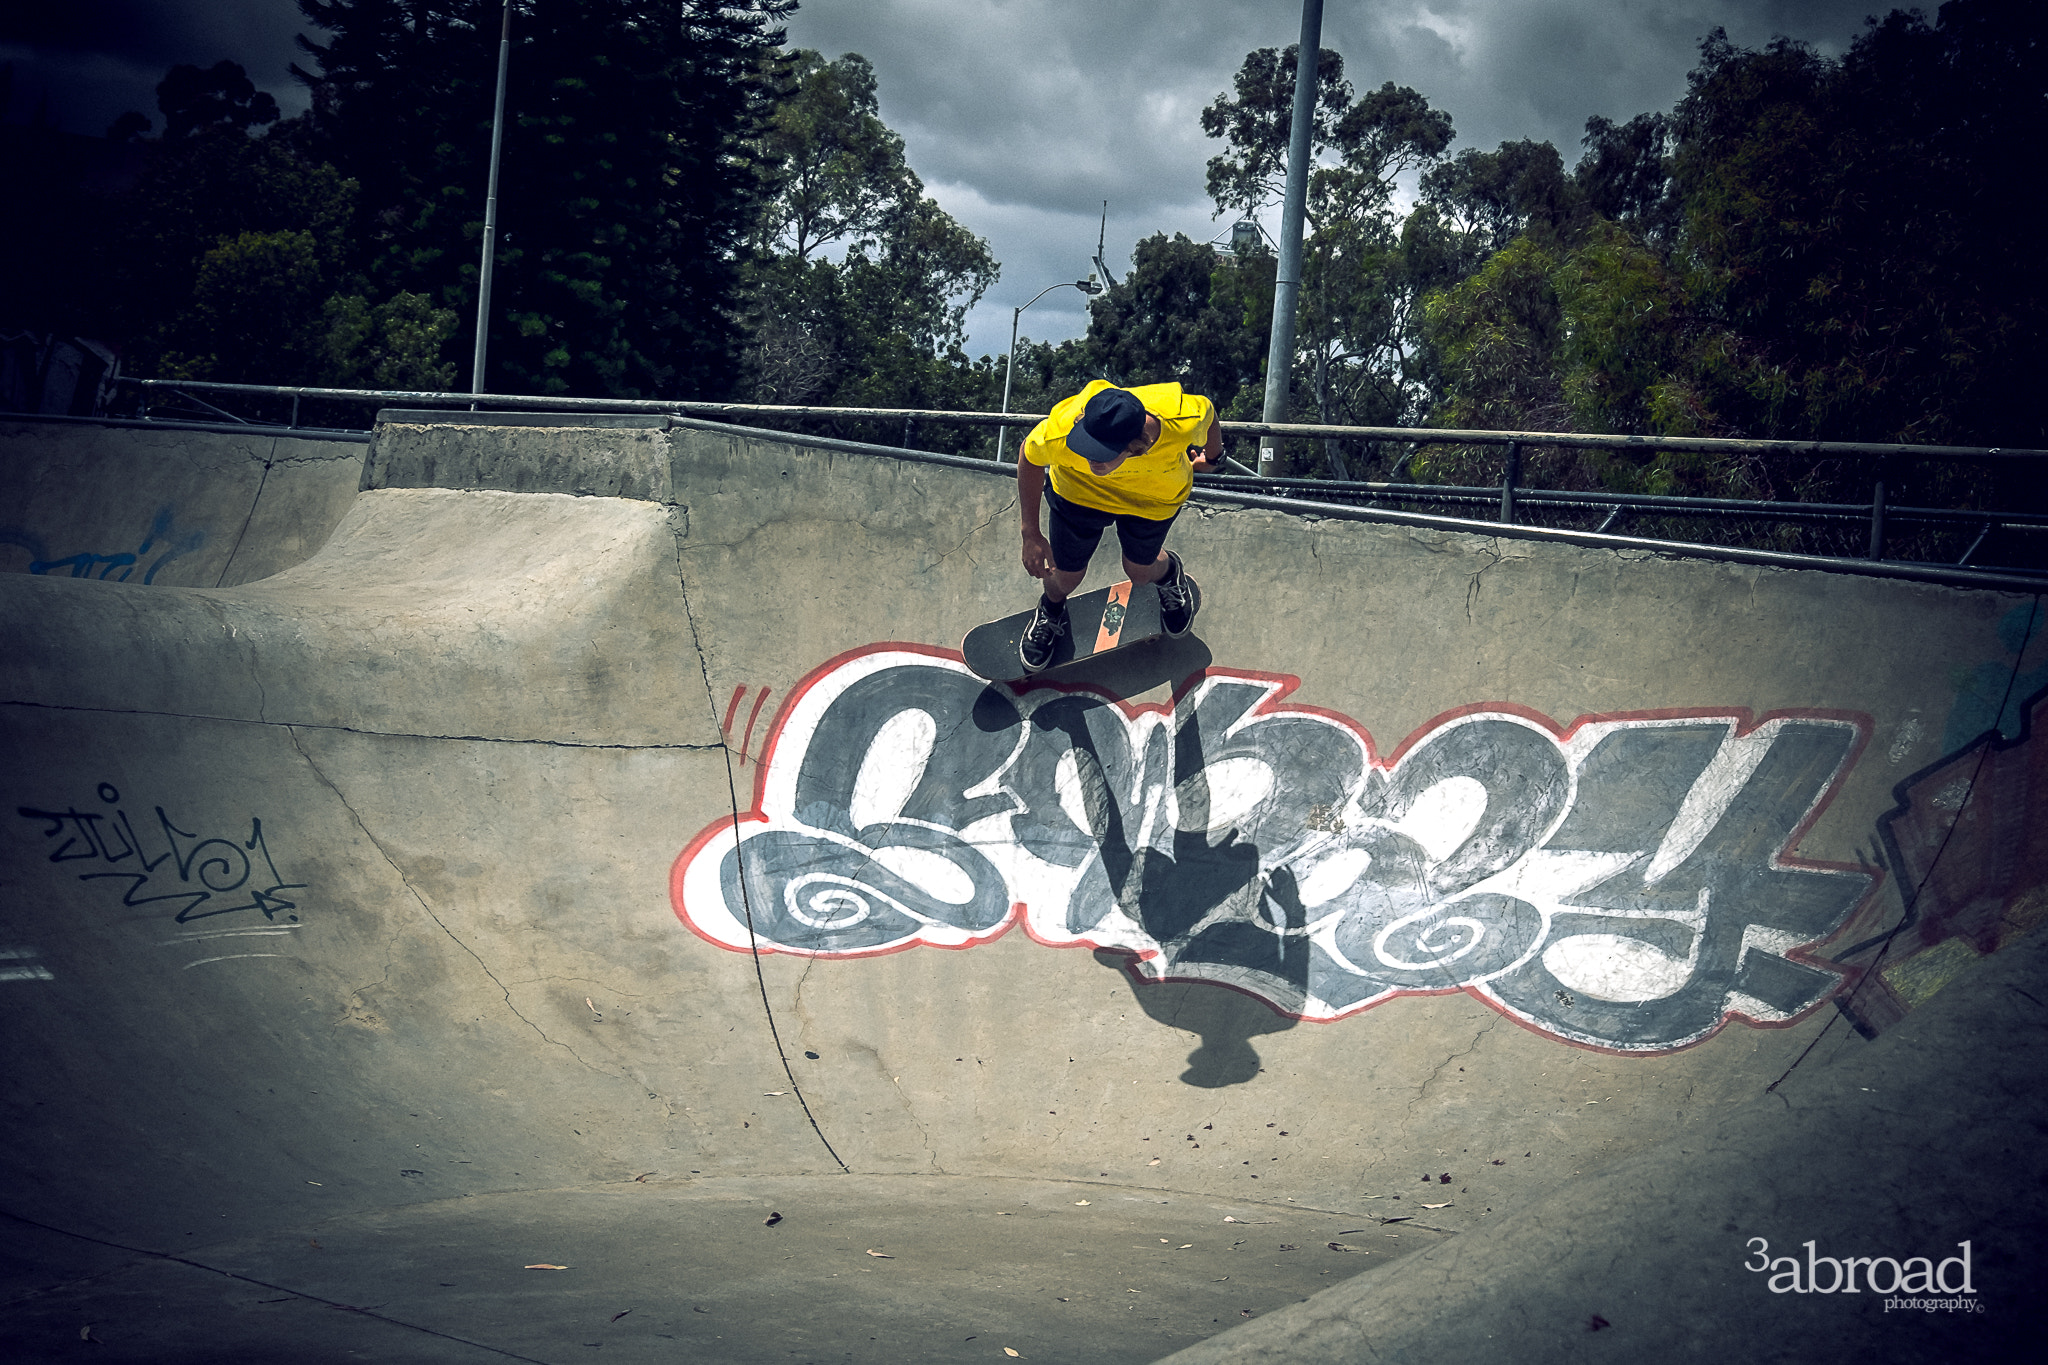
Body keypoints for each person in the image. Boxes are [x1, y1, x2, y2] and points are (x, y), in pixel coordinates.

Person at [1014, 379, 1219, 673]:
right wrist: (1030, 533)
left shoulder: (1180, 420)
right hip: (1078, 496)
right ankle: (1050, 609)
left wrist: (1213, 458)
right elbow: (1029, 456)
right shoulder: (1062, 431)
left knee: (1139, 572)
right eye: (1086, 447)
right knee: (1066, 577)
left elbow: (1209, 414)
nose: (1090, 459)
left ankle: (1170, 572)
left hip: (1153, 500)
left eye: (1102, 454)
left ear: (1135, 446)